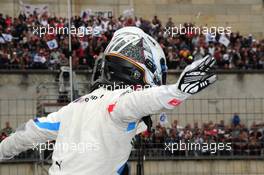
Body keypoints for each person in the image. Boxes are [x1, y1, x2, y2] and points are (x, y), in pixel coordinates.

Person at [0, 27, 216, 175]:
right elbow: (142, 101)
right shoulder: (118, 103)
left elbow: (27, 134)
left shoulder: (73, 107)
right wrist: (177, 92)